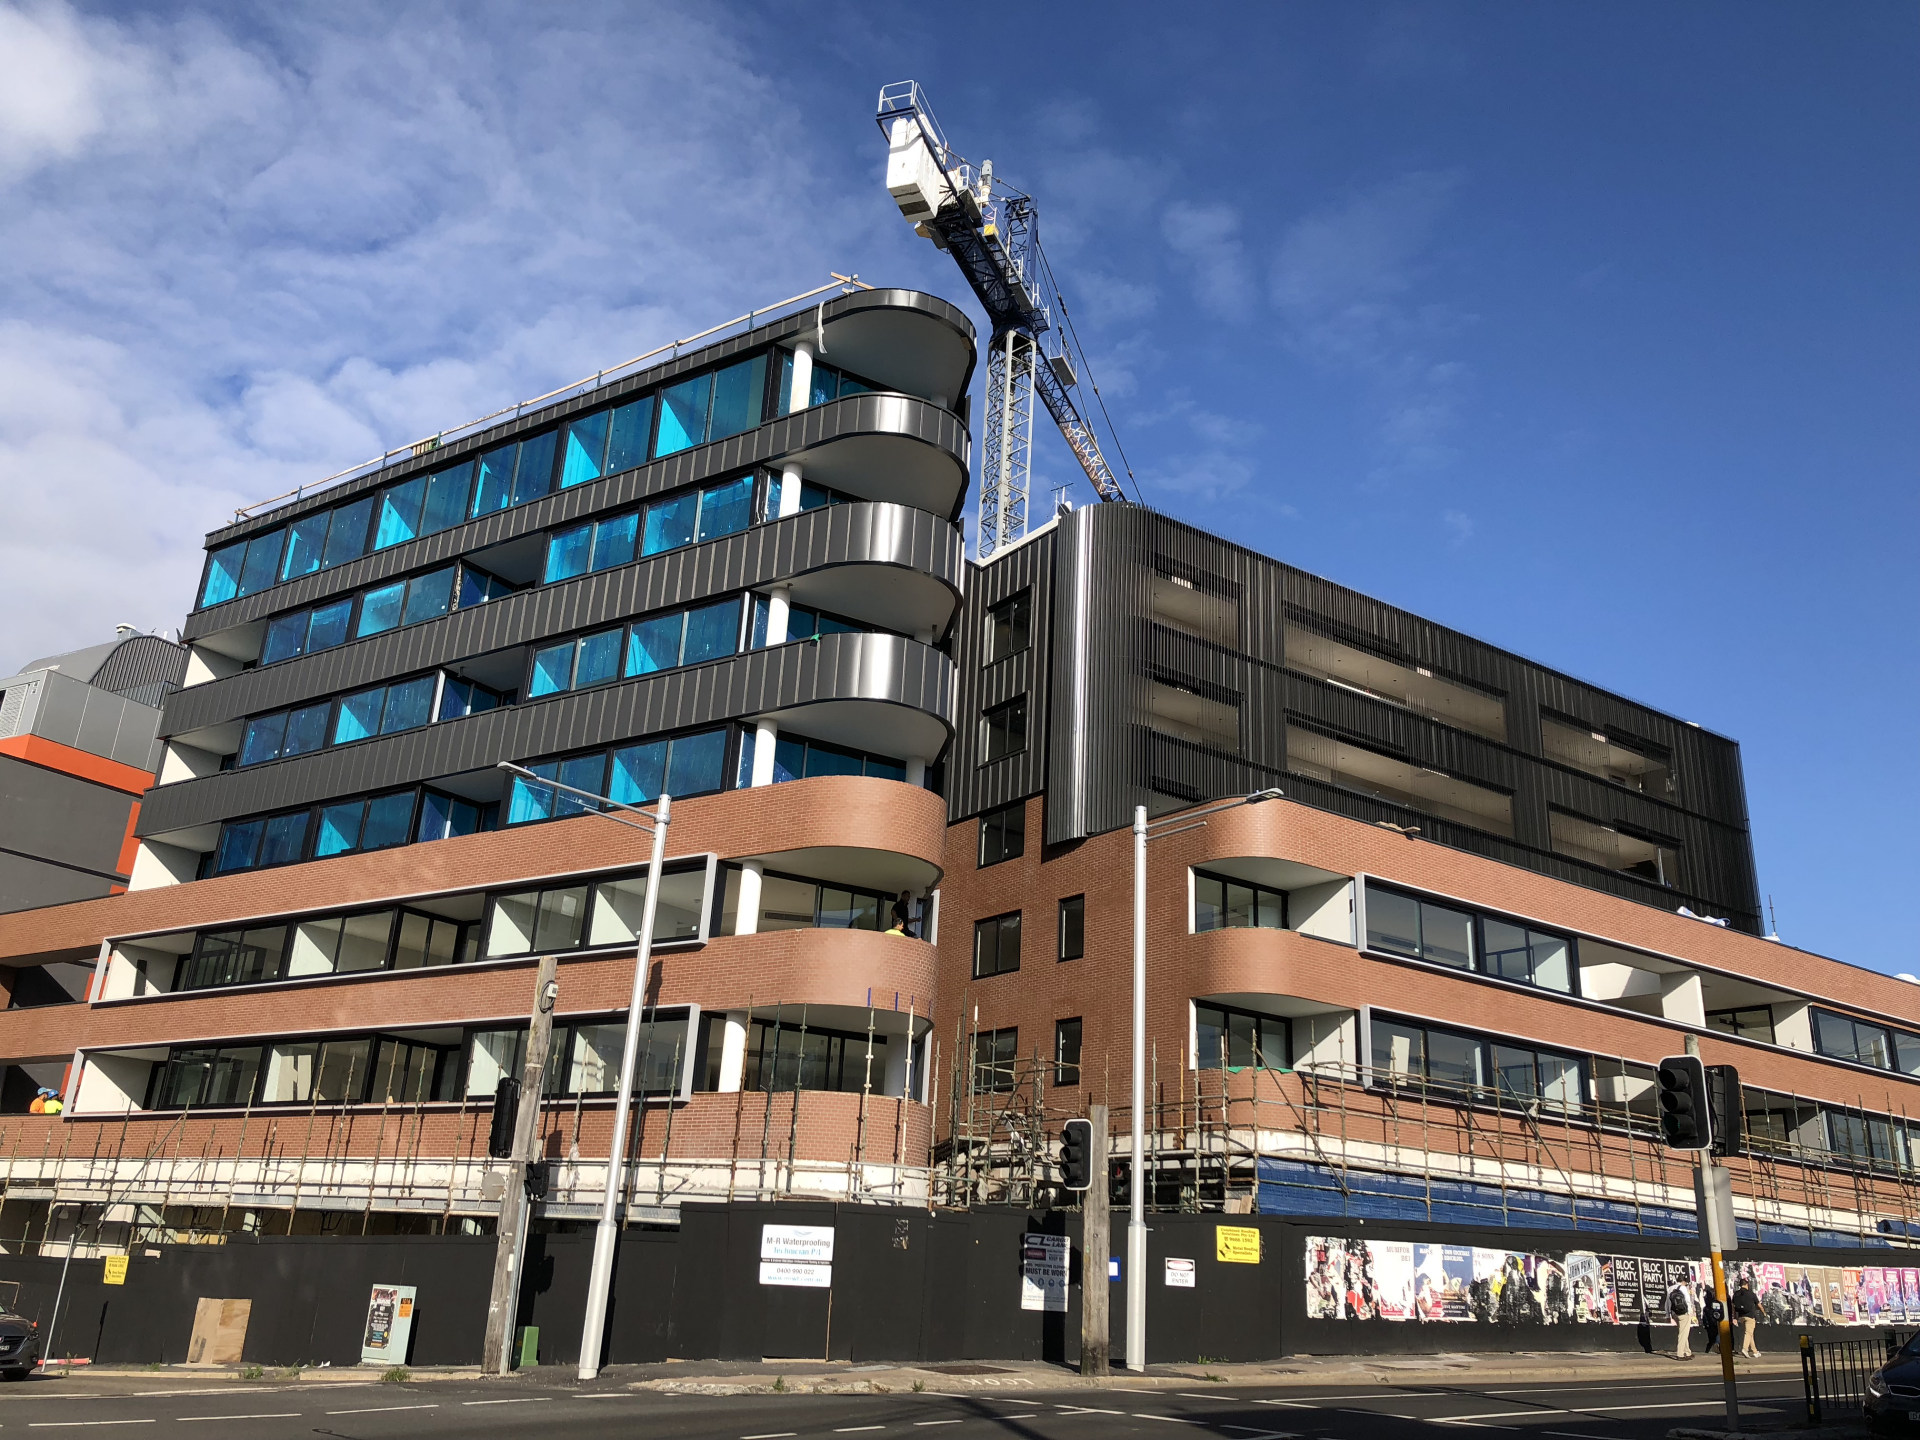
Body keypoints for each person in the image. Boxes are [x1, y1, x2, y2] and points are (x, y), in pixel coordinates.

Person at [1731, 1277, 1761, 1358]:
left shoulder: (1736, 1294)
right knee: (1748, 1333)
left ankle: (1755, 1352)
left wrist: (1734, 1317)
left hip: (1740, 1316)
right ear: (1747, 1284)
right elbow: (1758, 1304)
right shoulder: (1751, 1294)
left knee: (1749, 1333)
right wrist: (1764, 1312)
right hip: (1750, 1316)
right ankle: (1745, 1349)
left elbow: (1733, 1306)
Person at [1669, 1277, 1695, 1359]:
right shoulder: (1683, 1288)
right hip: (1684, 1313)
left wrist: (1668, 1314)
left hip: (1674, 1313)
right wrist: (1690, 1312)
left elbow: (1667, 1302)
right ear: (1683, 1282)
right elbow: (1687, 1300)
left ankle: (1688, 1352)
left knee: (1683, 1332)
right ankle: (1680, 1354)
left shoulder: (1670, 1288)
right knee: (1683, 1333)